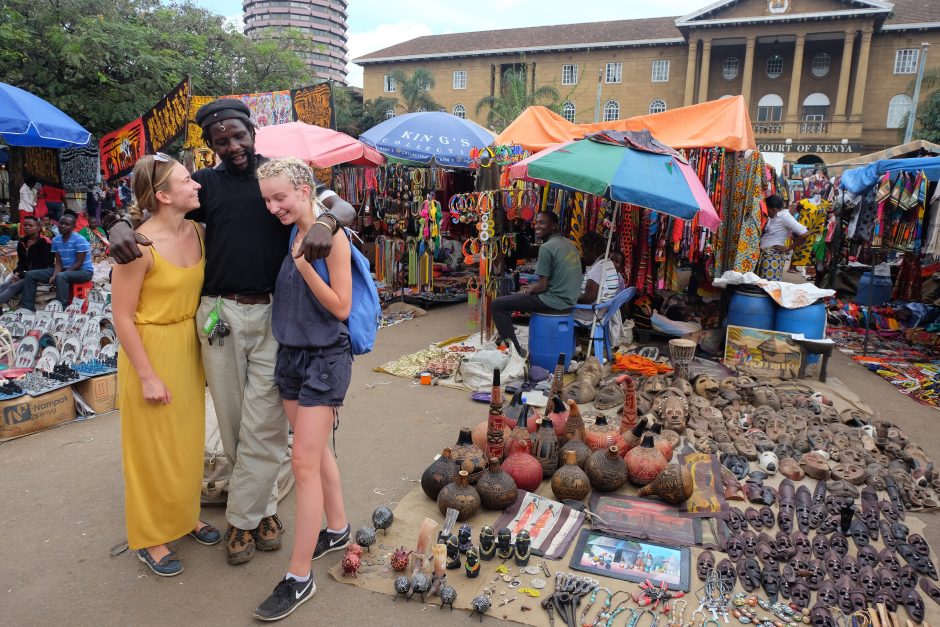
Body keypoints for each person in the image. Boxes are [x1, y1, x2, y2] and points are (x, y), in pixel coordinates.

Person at [104, 99, 357, 566]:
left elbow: (340, 202)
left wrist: (328, 219)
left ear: (252, 130)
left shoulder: (275, 177)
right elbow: (150, 206)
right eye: (221, 141)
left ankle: (242, 520)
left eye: (239, 135)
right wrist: (115, 223)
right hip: (218, 315)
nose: (233, 146)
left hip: (273, 316)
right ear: (211, 146)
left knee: (265, 421)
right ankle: (261, 514)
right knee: (232, 420)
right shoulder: (202, 187)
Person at [252, 158, 352, 621]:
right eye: (267, 199)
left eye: (280, 197)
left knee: (303, 463)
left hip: (324, 361)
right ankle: (337, 528)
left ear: (303, 188)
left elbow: (340, 308)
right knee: (314, 455)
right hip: (290, 356)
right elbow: (336, 204)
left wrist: (305, 263)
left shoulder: (327, 239)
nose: (273, 207)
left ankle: (298, 577)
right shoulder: (298, 227)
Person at [112, 153, 220, 577]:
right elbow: (122, 316)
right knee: (150, 449)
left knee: (186, 440)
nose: (196, 185)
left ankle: (184, 516)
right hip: (150, 348)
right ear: (162, 195)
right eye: (186, 180)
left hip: (188, 346)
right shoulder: (137, 246)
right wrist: (147, 375)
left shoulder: (199, 231)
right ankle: (150, 536)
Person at [490, 211, 581, 357]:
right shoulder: (569, 244)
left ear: (554, 226)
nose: (537, 226)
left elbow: (542, 286)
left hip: (553, 301)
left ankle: (515, 352)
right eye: (536, 222)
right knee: (516, 299)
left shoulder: (547, 248)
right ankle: (511, 346)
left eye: (542, 223)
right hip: (569, 299)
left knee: (497, 305)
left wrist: (528, 289)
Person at [20, 211, 95, 310]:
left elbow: (79, 263)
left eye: (66, 224)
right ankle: (27, 308)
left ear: (73, 226)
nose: (62, 226)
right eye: (61, 223)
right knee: (30, 274)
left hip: (84, 271)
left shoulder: (79, 240)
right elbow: (59, 262)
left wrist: (59, 276)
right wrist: (55, 274)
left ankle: (61, 308)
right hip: (64, 270)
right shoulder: (56, 240)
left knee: (61, 276)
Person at [0, 216, 53, 308]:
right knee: (5, 284)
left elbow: (43, 265)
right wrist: (17, 273)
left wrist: (22, 275)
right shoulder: (22, 243)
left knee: (13, 287)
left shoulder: (45, 242)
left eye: (30, 225)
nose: (26, 227)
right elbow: (21, 262)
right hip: (25, 274)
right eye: (25, 225)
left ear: (38, 227)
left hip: (40, 274)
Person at [574, 232, 623, 325]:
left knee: (555, 307)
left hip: (590, 314)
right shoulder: (607, 263)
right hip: (601, 311)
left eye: (583, 250)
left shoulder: (600, 267)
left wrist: (569, 298)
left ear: (591, 249)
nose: (582, 254)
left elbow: (588, 297)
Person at [758, 194, 808, 281]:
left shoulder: (785, 217)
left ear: (774, 209)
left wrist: (789, 248)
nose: (766, 212)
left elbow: (804, 233)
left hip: (772, 257)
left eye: (767, 209)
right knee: (765, 285)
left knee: (770, 286)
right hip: (767, 255)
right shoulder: (774, 216)